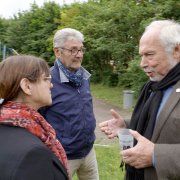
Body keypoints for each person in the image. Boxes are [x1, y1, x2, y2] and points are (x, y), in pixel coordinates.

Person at [99, 19, 180, 180]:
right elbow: (160, 122)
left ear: (176, 50)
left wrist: (156, 155)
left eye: (149, 55)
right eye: (141, 56)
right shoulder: (153, 86)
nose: (142, 64)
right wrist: (126, 126)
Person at [39, 28, 99, 180]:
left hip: (88, 151)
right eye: (73, 50)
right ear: (57, 52)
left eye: (80, 49)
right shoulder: (46, 81)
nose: (79, 55)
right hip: (62, 156)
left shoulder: (85, 77)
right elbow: (38, 121)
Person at [0, 55, 69, 180]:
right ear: (27, 86)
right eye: (46, 79)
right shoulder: (33, 154)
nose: (51, 85)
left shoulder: (5, 122)